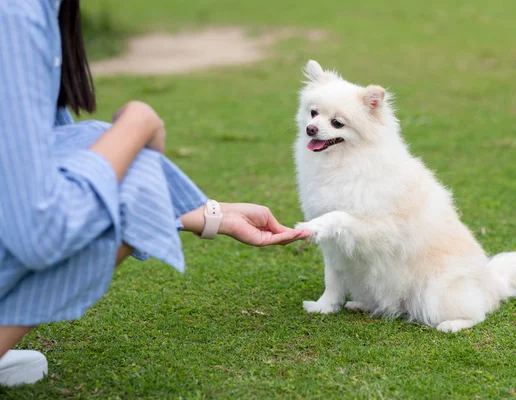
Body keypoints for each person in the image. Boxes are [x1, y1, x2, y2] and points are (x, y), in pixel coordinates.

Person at [0, 0, 308, 386]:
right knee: (125, 161)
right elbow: (40, 228)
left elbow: (45, 159)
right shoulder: (16, 13)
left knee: (98, 147)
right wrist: (140, 122)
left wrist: (212, 215)